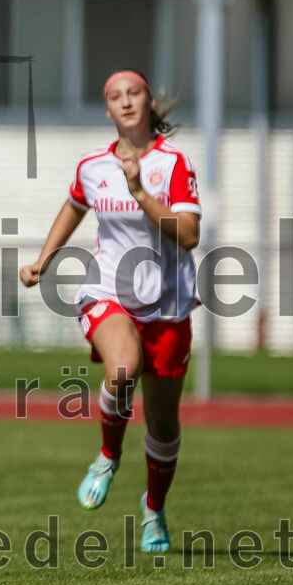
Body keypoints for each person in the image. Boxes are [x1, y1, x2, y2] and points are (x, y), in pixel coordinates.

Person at [19, 69, 201, 554]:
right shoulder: (93, 165)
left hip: (167, 306)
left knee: (163, 426)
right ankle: (107, 455)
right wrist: (44, 259)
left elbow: (188, 236)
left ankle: (154, 511)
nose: (125, 101)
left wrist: (141, 192)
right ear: (107, 109)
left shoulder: (173, 163)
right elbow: (75, 206)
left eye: (134, 92)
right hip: (109, 292)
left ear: (147, 101)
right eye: (115, 96)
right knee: (123, 370)